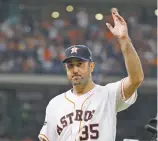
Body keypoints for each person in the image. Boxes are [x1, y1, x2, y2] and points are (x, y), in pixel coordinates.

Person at [38, 8, 144, 141]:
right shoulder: (55, 104)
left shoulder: (108, 94)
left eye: (80, 64)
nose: (75, 69)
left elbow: (136, 78)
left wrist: (124, 40)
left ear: (92, 66)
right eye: (70, 66)